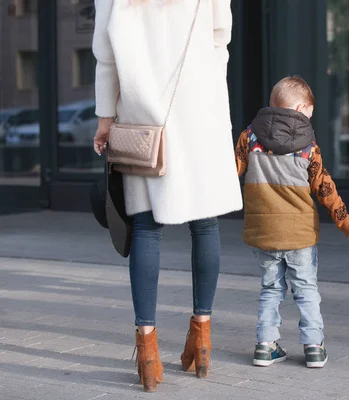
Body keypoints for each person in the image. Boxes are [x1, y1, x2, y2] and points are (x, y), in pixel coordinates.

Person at [92, 0, 242, 392]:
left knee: (145, 227)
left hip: (143, 118)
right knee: (206, 224)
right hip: (201, 110)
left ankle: (146, 349)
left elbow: (106, 55)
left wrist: (106, 119)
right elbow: (220, 37)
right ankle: (203, 337)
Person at [234, 76, 349, 369]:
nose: (309, 117)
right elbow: (325, 188)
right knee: (306, 289)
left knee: (270, 289)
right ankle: (313, 348)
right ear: (299, 107)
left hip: (264, 233)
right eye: (309, 111)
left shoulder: (249, 137)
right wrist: (347, 225)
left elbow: (231, 174)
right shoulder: (308, 145)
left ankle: (265, 346)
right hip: (299, 234)